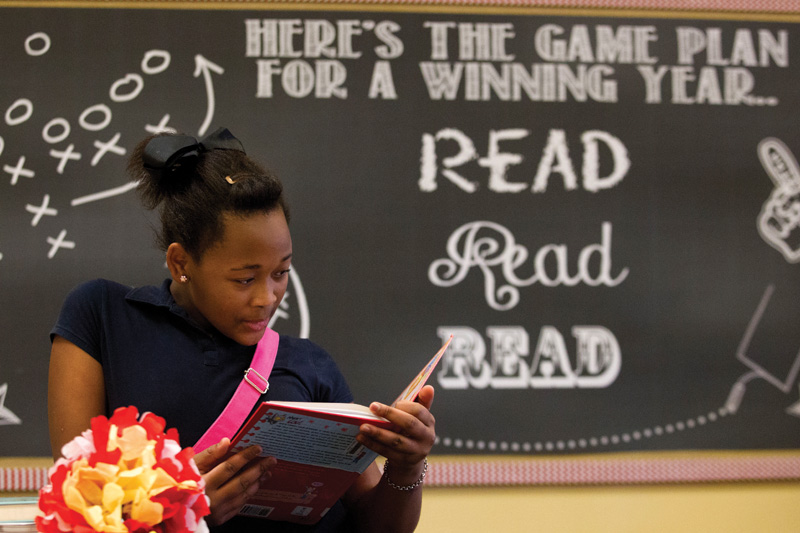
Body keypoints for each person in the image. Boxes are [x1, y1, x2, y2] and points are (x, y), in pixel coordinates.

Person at [48, 128, 436, 532]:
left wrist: (406, 467)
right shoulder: (103, 318)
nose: (267, 298)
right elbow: (77, 502)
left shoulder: (310, 365)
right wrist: (183, 513)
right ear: (181, 264)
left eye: (281, 272)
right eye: (244, 280)